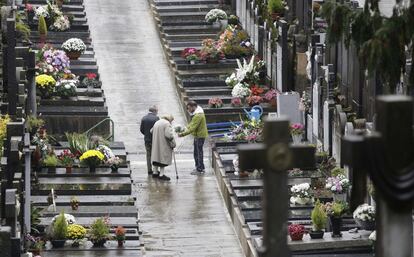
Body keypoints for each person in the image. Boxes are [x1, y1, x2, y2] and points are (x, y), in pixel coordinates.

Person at [178, 101, 208, 175]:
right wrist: (184, 128)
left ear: (193, 107)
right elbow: (191, 124)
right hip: (198, 135)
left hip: (199, 136)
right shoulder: (197, 113)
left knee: (198, 153)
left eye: (189, 108)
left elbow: (193, 128)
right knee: (197, 152)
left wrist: (182, 134)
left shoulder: (198, 115)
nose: (188, 110)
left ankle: (200, 169)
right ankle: (200, 167)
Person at [151, 115, 176, 181]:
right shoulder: (167, 123)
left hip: (156, 143)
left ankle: (155, 172)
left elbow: (151, 131)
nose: (171, 122)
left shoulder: (157, 122)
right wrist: (173, 143)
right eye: (172, 121)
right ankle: (161, 175)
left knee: (156, 158)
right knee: (163, 159)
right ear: (169, 119)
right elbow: (168, 135)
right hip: (163, 144)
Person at [140, 106, 159, 175]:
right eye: (157, 111)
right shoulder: (156, 118)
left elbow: (141, 130)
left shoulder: (144, 118)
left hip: (147, 139)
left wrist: (146, 134)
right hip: (154, 139)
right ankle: (155, 170)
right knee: (155, 154)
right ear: (154, 111)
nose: (157, 113)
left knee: (148, 155)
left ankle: (149, 170)